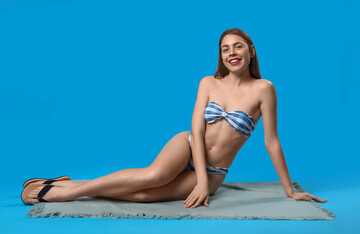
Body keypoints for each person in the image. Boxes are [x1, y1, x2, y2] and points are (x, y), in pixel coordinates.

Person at [21, 28, 327, 208]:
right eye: (224, 49)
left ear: (251, 51)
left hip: (217, 169)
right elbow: (196, 124)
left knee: (142, 196)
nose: (231, 53)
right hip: (189, 145)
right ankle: (67, 193)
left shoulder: (264, 89)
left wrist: (289, 190)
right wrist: (201, 180)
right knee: (152, 176)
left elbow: (271, 142)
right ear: (220, 56)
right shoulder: (209, 82)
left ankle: (64, 183)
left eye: (237, 47)